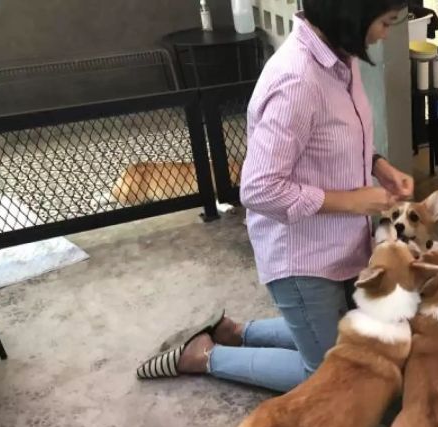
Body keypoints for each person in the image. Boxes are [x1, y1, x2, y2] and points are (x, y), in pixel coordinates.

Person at [135, 0, 413, 392]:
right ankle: (203, 356)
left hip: (340, 241)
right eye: (386, 22)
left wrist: (379, 166)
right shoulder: (298, 80)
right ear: (350, 14)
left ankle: (233, 332)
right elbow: (258, 188)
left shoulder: (338, 57)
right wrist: (352, 202)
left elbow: (334, 139)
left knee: (355, 340)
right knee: (329, 378)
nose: (387, 33)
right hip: (301, 255)